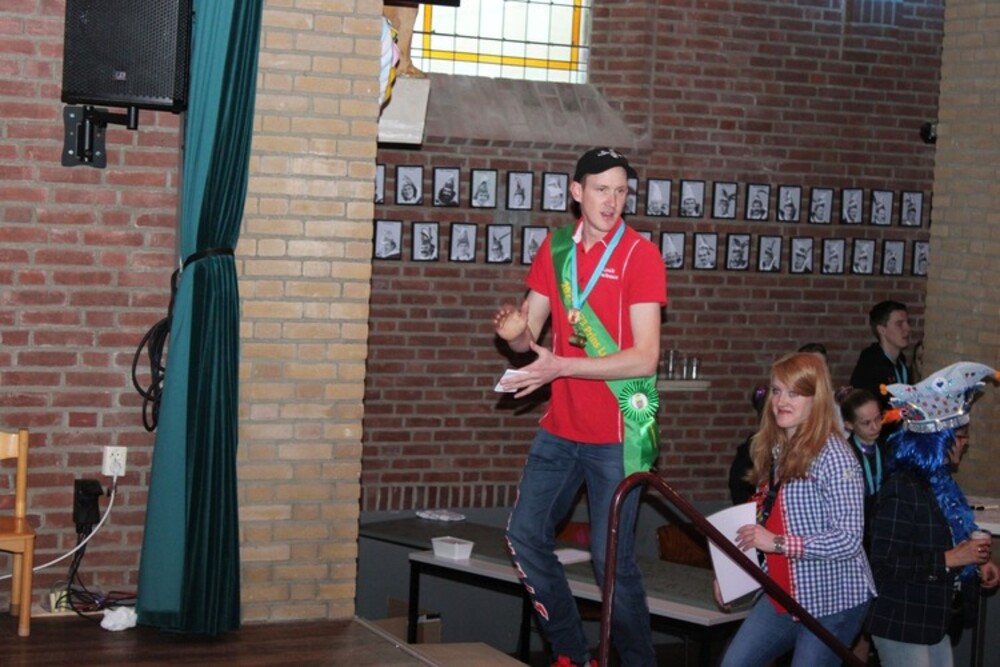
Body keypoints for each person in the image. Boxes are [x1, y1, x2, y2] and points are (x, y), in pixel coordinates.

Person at [494, 147, 666, 667]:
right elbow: (531, 337)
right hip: (561, 429)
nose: (612, 201)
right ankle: (573, 653)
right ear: (576, 192)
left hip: (620, 432)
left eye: (621, 191)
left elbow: (645, 358)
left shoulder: (640, 256)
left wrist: (562, 367)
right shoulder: (557, 246)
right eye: (601, 189)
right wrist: (515, 334)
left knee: (611, 564)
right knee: (524, 536)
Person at [717, 352, 875, 667]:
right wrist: (734, 575)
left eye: (794, 393)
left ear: (816, 400)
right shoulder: (775, 448)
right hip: (785, 591)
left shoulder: (835, 456)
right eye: (777, 391)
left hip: (835, 597)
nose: (781, 401)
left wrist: (777, 543)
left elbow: (847, 540)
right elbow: (765, 518)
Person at [867, 362, 1000, 667]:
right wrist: (950, 559)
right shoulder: (902, 489)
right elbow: (883, 565)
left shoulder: (941, 483)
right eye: (961, 436)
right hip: (902, 620)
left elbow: (948, 534)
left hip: (931, 618)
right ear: (938, 440)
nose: (966, 443)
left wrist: (977, 563)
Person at [849, 300, 910, 414]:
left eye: (907, 322)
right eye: (899, 324)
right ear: (882, 330)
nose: (907, 328)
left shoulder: (901, 362)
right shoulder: (870, 365)